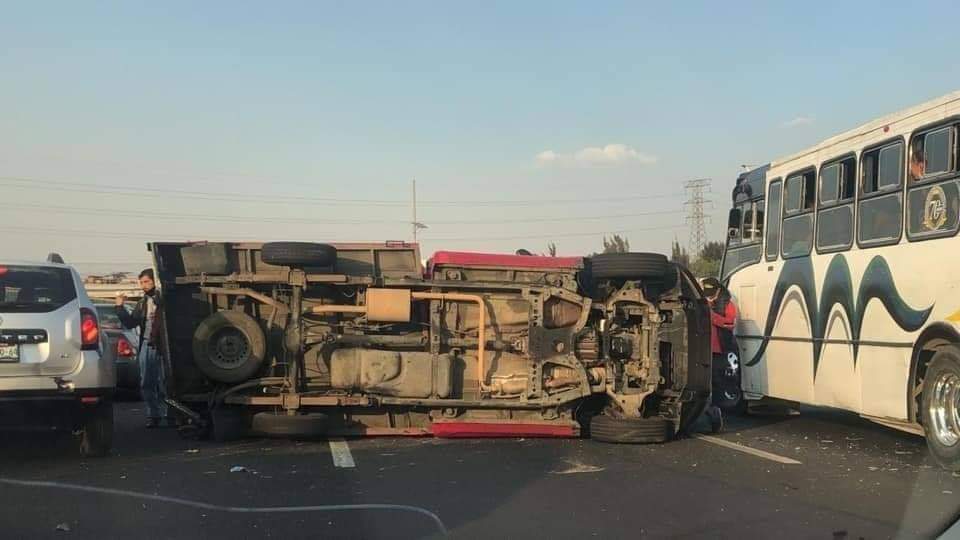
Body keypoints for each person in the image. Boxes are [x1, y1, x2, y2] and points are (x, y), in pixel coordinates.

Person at [116, 268, 170, 428]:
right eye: (141, 282)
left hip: (163, 345)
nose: (143, 286)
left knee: (164, 382)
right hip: (147, 343)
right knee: (147, 381)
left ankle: (168, 413)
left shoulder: (161, 298)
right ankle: (153, 414)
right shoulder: (143, 302)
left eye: (146, 282)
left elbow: (164, 305)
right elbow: (131, 322)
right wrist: (120, 308)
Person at [701, 277, 738, 433]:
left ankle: (716, 410)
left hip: (719, 350)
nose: (708, 296)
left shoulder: (727, 303)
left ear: (718, 290)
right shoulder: (701, 301)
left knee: (717, 382)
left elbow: (730, 323)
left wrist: (712, 317)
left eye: (711, 293)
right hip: (702, 349)